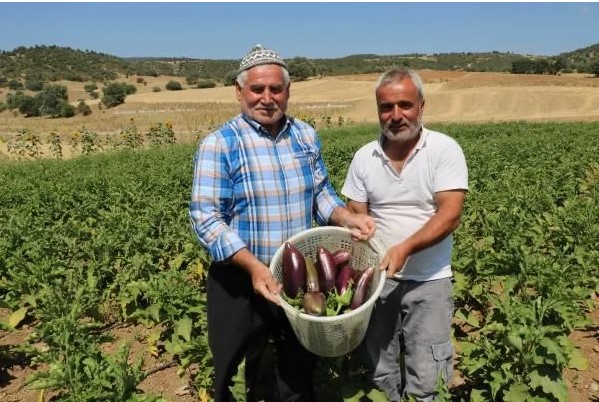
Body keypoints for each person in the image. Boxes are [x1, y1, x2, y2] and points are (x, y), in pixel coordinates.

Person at [189, 44, 376, 402]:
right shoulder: (220, 144)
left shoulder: (305, 135)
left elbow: (321, 195)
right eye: (257, 89)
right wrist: (254, 267)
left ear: (288, 92)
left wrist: (347, 217)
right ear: (239, 91)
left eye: (276, 89)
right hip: (241, 280)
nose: (267, 97)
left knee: (296, 371)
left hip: (297, 281)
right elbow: (206, 217)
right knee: (235, 370)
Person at [341, 68, 468, 401]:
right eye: (386, 107)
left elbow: (450, 214)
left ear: (421, 106)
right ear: (378, 110)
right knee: (380, 370)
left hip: (430, 281)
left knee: (428, 374)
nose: (396, 115)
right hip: (378, 281)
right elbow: (355, 212)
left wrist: (406, 248)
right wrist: (357, 224)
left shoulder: (444, 150)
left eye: (405, 105)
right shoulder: (364, 157)